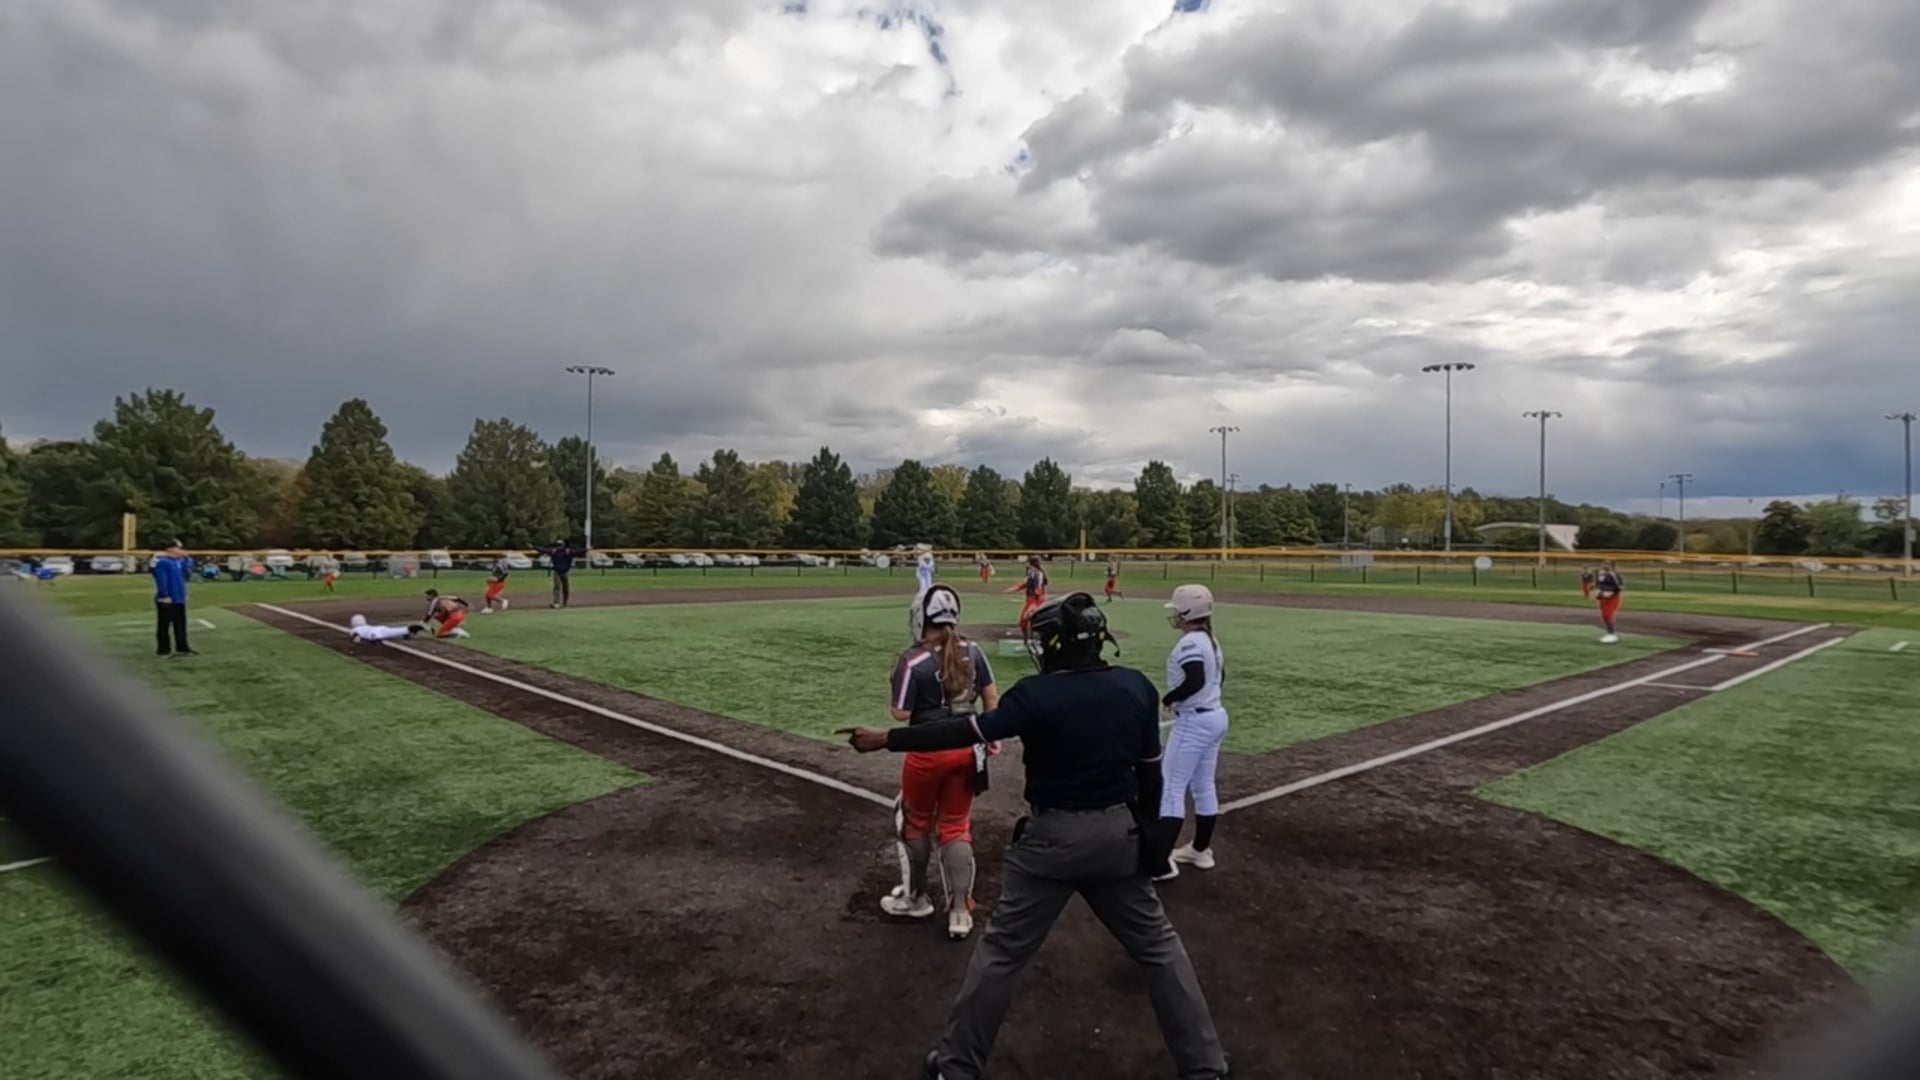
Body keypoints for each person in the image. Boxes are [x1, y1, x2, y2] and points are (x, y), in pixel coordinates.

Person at [839, 592, 1231, 1080]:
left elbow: (962, 732)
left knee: (1002, 955)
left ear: (1057, 645)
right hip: (1117, 837)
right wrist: (1149, 845)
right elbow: (1151, 780)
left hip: (1051, 843)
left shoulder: (1034, 694)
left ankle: (956, 1068)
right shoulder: (1135, 687)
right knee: (1161, 949)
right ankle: (1205, 1067)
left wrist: (887, 739)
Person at [882, 584, 1001, 941]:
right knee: (955, 826)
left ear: (922, 617)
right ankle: (960, 910)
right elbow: (991, 697)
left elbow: (900, 713)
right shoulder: (974, 651)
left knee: (914, 822)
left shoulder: (912, 660)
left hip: (926, 753)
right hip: (967, 749)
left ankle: (916, 898)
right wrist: (989, 735)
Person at [1153, 584, 1227, 881]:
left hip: (1194, 722)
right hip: (1214, 715)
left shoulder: (1191, 643)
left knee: (1171, 787)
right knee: (1203, 786)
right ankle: (1200, 850)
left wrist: (1169, 699)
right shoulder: (1210, 639)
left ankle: (1160, 863)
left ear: (1186, 612)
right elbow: (1219, 677)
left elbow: (1194, 679)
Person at [151, 541, 196, 658]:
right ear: (170, 549)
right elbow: (161, 579)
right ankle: (163, 650)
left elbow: (188, 572)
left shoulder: (179, 561)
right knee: (164, 625)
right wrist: (164, 595)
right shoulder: (163, 562)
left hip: (179, 598)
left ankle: (183, 647)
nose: (181, 550)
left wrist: (187, 558)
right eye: (178, 548)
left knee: (180, 625)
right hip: (168, 599)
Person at [1004, 556, 1048, 633]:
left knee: (1027, 616)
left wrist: (1036, 601)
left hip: (1036, 599)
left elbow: (1038, 588)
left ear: (1030, 564)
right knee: (1024, 618)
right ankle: (1026, 631)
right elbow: (1024, 584)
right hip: (1031, 599)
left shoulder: (1038, 574)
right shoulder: (1031, 573)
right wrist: (1014, 589)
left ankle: (1036, 631)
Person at [1594, 560, 1625, 643]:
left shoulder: (1615, 575)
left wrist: (1611, 592)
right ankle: (1609, 633)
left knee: (1608, 615)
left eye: (1607, 564)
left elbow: (1620, 587)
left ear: (1612, 566)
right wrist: (1598, 591)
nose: (1604, 565)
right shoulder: (1601, 574)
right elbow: (1598, 584)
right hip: (1603, 597)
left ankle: (1612, 634)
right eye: (1604, 564)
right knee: (1604, 615)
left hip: (1612, 597)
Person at [543, 539, 579, 609]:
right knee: (557, 586)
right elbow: (543, 550)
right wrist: (534, 547)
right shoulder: (554, 551)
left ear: (563, 545)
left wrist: (587, 549)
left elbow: (579, 551)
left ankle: (564, 603)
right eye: (558, 545)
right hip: (556, 571)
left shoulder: (568, 551)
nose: (559, 546)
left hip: (565, 571)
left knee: (565, 587)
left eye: (560, 545)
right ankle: (556, 603)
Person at [347, 614, 424, 644]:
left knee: (375, 640)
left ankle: (404, 633)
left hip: (373, 633)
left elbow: (356, 639)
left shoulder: (355, 629)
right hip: (380, 628)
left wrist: (365, 641)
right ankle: (407, 630)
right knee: (395, 631)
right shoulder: (366, 626)